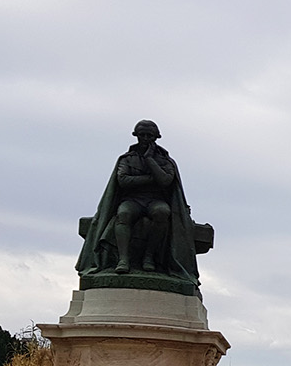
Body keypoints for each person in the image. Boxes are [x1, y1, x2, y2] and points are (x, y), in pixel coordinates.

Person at [76, 120, 202, 284]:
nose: (145, 138)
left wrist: (149, 159)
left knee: (162, 213)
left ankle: (149, 256)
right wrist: (151, 179)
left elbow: (165, 181)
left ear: (156, 137)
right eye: (142, 135)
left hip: (155, 201)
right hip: (133, 200)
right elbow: (123, 181)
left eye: (149, 136)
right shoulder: (127, 159)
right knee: (124, 214)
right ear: (136, 136)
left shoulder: (164, 160)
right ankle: (123, 259)